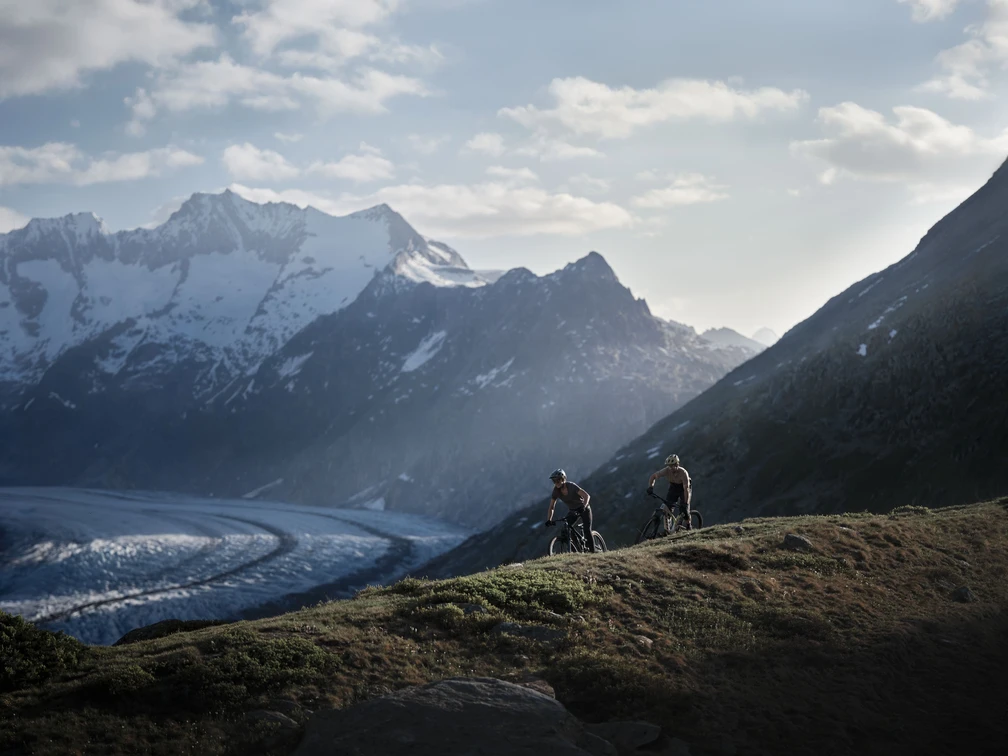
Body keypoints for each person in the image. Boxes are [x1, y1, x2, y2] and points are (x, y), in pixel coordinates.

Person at [544, 468, 597, 552]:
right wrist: (549, 519)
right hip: (573, 510)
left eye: (557, 480)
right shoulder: (556, 491)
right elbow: (552, 507)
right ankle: (578, 549)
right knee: (566, 529)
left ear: (563, 479)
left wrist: (583, 506)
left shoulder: (571, 486)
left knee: (587, 530)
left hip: (584, 509)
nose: (556, 483)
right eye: (554, 481)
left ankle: (593, 552)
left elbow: (587, 496)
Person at [647, 454, 692, 531]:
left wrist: (686, 503)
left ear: (677, 464)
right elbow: (653, 476)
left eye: (672, 466)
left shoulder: (683, 473)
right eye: (669, 466)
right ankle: (667, 530)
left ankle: (688, 525)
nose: (670, 468)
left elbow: (686, 489)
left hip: (684, 489)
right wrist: (650, 487)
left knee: (684, 510)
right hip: (673, 488)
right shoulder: (667, 470)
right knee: (667, 508)